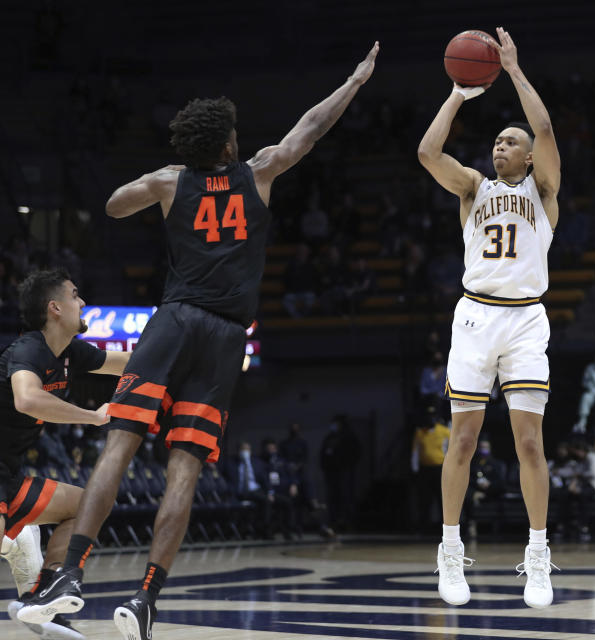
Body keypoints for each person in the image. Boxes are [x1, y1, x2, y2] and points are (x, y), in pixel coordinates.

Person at [20, 43, 379, 640]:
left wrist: (161, 181)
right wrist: (355, 81)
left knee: (118, 449)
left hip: (174, 321)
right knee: (182, 471)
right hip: (223, 339)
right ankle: (145, 599)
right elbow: (309, 132)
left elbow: (112, 206)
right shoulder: (260, 171)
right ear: (230, 144)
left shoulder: (170, 182)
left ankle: (72, 576)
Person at [418, 27, 561, 609]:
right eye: (496, 141)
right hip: (476, 316)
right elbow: (428, 153)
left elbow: (546, 128)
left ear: (527, 156)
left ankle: (537, 555)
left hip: (526, 319)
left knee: (530, 443)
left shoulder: (544, 191)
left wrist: (514, 69)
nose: (499, 147)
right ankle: (450, 550)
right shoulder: (472, 188)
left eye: (510, 142)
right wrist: (458, 92)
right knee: (465, 440)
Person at [1, 269, 130, 640]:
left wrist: (181, 358)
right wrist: (92, 417)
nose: (83, 302)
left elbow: (125, 363)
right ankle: (16, 545)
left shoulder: (72, 352)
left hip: (8, 473)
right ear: (55, 307)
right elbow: (26, 399)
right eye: (76, 295)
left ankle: (47, 594)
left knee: (89, 504)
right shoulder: (28, 350)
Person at [411, 407, 450, 533]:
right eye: (428, 416)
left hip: (440, 469)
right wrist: (415, 470)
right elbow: (415, 452)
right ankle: (423, 527)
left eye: (433, 416)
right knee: (424, 499)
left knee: (441, 499)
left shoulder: (444, 431)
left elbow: (449, 450)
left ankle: (444, 528)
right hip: (425, 470)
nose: (431, 418)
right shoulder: (420, 432)